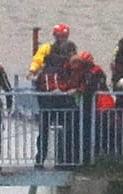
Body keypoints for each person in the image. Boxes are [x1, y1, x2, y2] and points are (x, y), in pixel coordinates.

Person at [30, 27, 74, 166]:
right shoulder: (65, 66)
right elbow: (70, 82)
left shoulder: (45, 69)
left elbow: (37, 85)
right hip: (62, 104)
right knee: (66, 131)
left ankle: (40, 159)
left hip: (46, 104)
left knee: (44, 132)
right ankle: (63, 160)